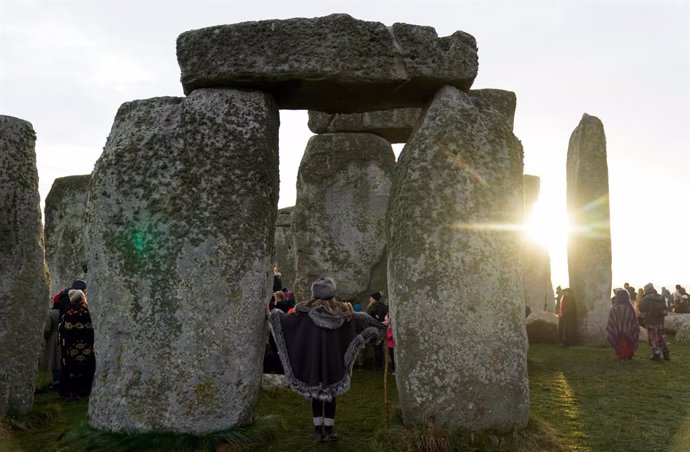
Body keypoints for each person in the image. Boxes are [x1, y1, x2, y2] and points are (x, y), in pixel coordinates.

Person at [267, 277, 385, 442]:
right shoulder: (343, 313)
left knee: (316, 394)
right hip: (333, 361)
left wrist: (272, 315)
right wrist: (381, 326)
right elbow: (362, 321)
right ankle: (329, 431)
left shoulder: (305, 313)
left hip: (313, 360)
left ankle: (318, 432)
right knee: (330, 395)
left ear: (314, 293)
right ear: (332, 292)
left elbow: (285, 323)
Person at [58, 289, 96, 399]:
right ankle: (85, 390)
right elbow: (91, 328)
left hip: (70, 346)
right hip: (86, 345)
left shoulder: (68, 312)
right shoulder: (86, 311)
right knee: (86, 368)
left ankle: (72, 391)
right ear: (82, 298)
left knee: (72, 369)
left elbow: (64, 329)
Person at [638, 283, 670, 361]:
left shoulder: (647, 298)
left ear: (646, 290)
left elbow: (641, 309)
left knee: (653, 338)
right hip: (660, 320)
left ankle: (656, 354)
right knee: (662, 336)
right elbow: (666, 308)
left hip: (651, 321)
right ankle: (666, 354)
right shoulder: (661, 297)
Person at [606, 289, 640, 360]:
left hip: (618, 331)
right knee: (628, 342)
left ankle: (621, 355)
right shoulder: (629, 307)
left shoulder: (615, 307)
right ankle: (628, 355)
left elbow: (612, 320)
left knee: (620, 342)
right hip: (629, 330)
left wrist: (617, 327)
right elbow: (633, 320)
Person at [43, 300, 62, 389]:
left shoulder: (51, 313)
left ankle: (56, 381)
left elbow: (47, 329)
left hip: (53, 338)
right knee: (61, 360)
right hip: (63, 337)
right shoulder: (64, 311)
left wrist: (46, 337)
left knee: (54, 360)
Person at [366, 291, 388, 370]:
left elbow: (369, 319)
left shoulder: (372, 307)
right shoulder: (383, 306)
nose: (369, 299)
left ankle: (377, 366)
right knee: (379, 346)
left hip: (375, 328)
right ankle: (379, 365)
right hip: (382, 328)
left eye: (371, 297)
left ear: (374, 298)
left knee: (376, 347)